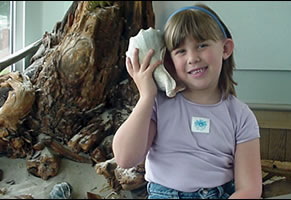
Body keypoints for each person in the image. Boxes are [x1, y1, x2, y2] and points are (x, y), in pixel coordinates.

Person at [112, 3, 262, 199]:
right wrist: (146, 96)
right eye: (180, 51)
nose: (192, 58)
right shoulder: (158, 104)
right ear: (168, 61)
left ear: (225, 49)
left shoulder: (241, 116)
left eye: (202, 45)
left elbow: (249, 189)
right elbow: (125, 158)